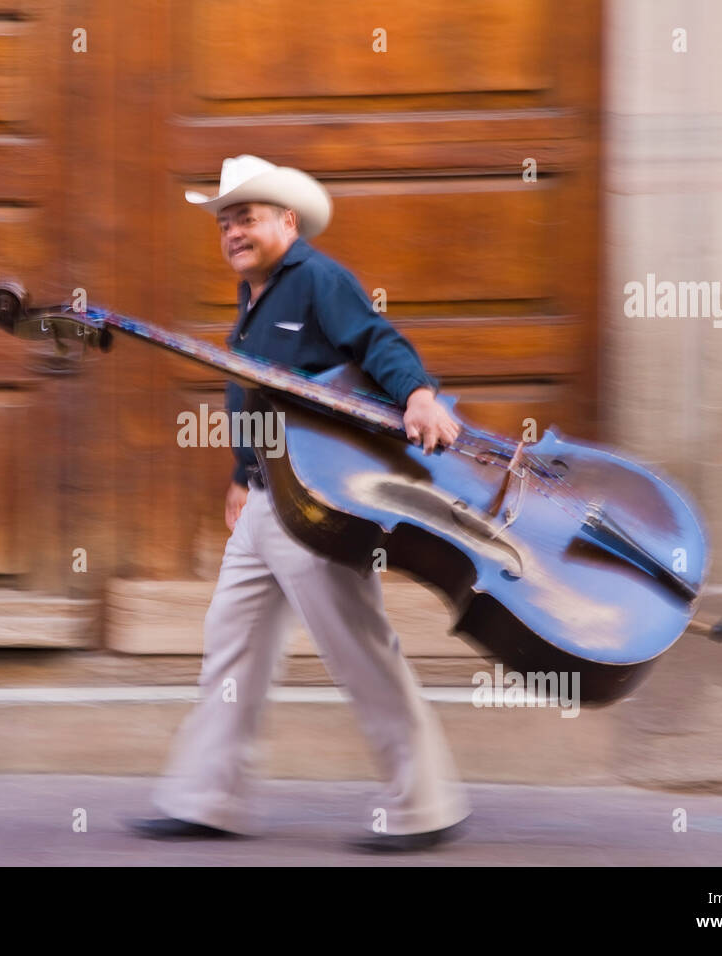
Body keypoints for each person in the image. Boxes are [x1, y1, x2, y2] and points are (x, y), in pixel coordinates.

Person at [127, 155, 471, 852]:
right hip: (264, 499)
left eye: (245, 218)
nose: (232, 233)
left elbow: (378, 341)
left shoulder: (316, 278)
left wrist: (419, 395)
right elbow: (257, 396)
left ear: (288, 220)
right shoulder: (253, 300)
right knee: (233, 642)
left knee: (358, 650)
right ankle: (208, 799)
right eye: (225, 223)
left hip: (318, 503)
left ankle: (425, 805)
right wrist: (240, 471)